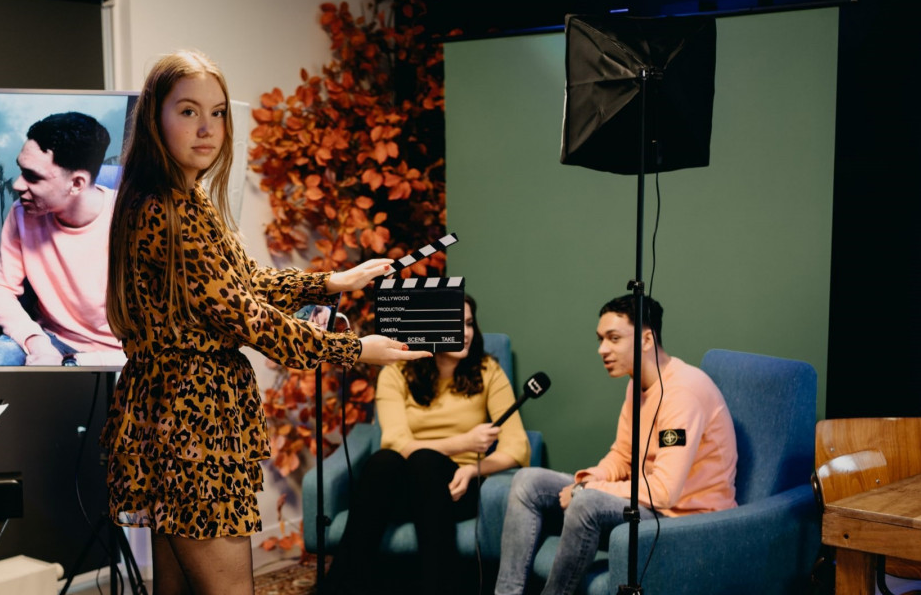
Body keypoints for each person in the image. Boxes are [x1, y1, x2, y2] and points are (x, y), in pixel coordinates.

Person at [99, 50, 431, 595]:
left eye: (218, 112)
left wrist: (332, 282)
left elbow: (244, 281)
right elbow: (247, 316)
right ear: (155, 118)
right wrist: (354, 350)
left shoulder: (184, 197)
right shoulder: (166, 210)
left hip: (179, 410)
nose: (207, 128)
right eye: (188, 111)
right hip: (194, 422)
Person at [493, 295, 738, 595]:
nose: (602, 349)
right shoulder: (637, 384)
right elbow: (623, 455)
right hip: (648, 504)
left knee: (586, 503)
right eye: (600, 339)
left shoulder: (683, 393)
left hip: (687, 519)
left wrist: (587, 490)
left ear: (647, 339)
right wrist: (591, 478)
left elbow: (664, 491)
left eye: (614, 338)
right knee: (526, 481)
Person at [320, 294, 530, 595]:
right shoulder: (396, 372)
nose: (465, 332)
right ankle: (342, 588)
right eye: (455, 324)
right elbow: (396, 442)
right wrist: (464, 441)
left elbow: (518, 447)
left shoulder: (487, 371)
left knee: (424, 461)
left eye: (469, 323)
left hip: (455, 488)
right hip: (403, 489)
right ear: (431, 327)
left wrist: (472, 470)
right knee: (384, 461)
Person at [0, 112, 122, 366]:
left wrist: (75, 363)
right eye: (21, 170)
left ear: (77, 183)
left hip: (119, 352)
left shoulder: (135, 219)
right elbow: (0, 288)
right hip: (50, 338)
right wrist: (37, 343)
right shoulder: (22, 213)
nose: (17, 185)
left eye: (33, 176)